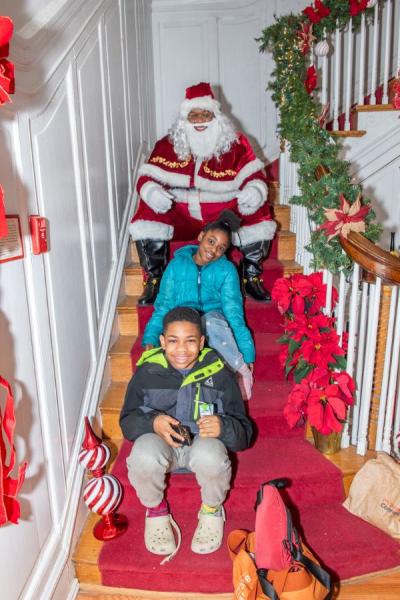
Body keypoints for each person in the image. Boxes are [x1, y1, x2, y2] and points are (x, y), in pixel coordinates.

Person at [120, 306, 253, 561]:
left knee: (212, 455)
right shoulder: (146, 372)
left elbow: (245, 433)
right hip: (162, 449)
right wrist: (153, 422)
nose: (181, 349)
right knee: (142, 454)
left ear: (202, 342)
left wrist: (224, 426)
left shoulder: (220, 374)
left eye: (190, 341)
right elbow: (127, 422)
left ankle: (211, 510)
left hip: (201, 450)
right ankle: (156, 510)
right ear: (162, 341)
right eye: (173, 341)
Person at [129, 81, 276, 305]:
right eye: (193, 115)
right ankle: (155, 279)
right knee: (148, 206)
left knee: (257, 205)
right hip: (181, 214)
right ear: (184, 120)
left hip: (223, 215)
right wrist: (152, 192)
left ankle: (250, 276)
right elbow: (146, 178)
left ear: (216, 117)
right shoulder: (167, 145)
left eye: (205, 114)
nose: (199, 120)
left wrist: (254, 190)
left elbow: (255, 176)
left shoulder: (236, 144)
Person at [141, 210, 255, 399]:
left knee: (210, 322)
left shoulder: (227, 270)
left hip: (213, 324)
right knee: (179, 330)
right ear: (201, 236)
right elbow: (164, 305)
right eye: (211, 241)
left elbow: (234, 313)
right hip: (183, 319)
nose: (213, 250)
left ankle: (237, 371)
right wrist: (151, 338)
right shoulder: (176, 265)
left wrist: (246, 355)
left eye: (221, 248)